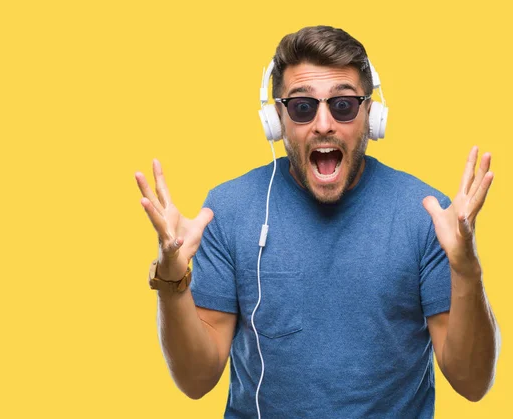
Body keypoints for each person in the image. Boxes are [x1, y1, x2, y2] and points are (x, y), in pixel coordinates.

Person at [135, 26, 501, 418]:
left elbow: (472, 383)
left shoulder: (427, 214)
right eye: (303, 107)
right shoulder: (228, 209)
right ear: (277, 119)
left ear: (371, 115)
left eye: (342, 105)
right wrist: (172, 284)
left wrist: (466, 271)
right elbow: (196, 381)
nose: (324, 124)